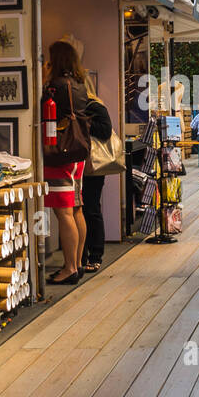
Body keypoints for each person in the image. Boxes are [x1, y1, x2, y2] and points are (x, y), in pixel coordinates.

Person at [42, 40, 92, 285]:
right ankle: (78, 263)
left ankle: (70, 267)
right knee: (76, 208)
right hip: (77, 152)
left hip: (60, 153)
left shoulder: (55, 87)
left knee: (63, 213)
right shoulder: (80, 85)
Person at [80, 84, 113, 274]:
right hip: (80, 165)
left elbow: (106, 131)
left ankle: (95, 255)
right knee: (81, 210)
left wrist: (85, 122)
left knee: (91, 209)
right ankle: (81, 256)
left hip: (93, 166)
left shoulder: (94, 106)